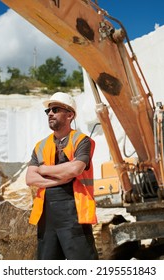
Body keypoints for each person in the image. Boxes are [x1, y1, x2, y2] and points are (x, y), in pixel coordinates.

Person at [26, 92, 98, 260]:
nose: (50, 113)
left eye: (56, 109)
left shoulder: (81, 141)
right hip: (47, 216)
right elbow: (30, 179)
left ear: (70, 115)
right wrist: (59, 179)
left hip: (74, 213)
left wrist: (43, 169)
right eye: (48, 111)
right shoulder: (41, 145)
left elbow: (74, 170)